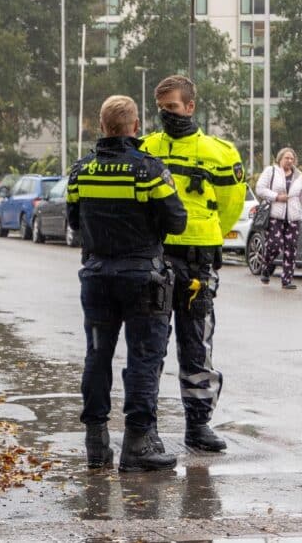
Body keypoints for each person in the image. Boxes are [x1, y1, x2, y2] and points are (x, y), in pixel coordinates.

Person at [68, 95, 187, 472]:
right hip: (142, 280)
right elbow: (177, 221)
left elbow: (74, 222)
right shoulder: (149, 170)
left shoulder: (81, 171)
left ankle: (96, 443)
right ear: (136, 128)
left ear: (102, 127)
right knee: (143, 359)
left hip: (97, 276)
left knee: (97, 355)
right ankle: (138, 443)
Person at [140, 75, 246, 453]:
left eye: (172, 107)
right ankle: (145, 428)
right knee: (150, 344)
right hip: (157, 257)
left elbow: (232, 205)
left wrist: (210, 232)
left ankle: (198, 425)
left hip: (199, 262)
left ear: (190, 107)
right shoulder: (147, 148)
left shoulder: (220, 152)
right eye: (161, 108)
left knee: (197, 344)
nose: (167, 115)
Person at [254, 147, 302, 289]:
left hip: (293, 216)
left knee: (291, 248)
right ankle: (266, 267)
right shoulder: (271, 171)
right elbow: (260, 188)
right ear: (280, 159)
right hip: (276, 215)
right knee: (274, 245)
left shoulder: (298, 175)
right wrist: (276, 196)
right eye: (286, 158)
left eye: (292, 158)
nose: (289, 161)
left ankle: (286, 280)